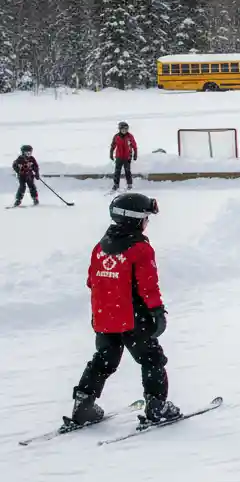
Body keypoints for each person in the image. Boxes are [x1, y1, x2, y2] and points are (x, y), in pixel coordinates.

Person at [68, 192, 181, 427]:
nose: (147, 223)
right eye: (146, 218)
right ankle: (157, 406)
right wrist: (157, 312)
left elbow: (92, 281)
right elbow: (148, 287)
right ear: (135, 219)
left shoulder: (100, 246)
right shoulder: (140, 249)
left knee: (104, 360)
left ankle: (83, 405)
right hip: (133, 318)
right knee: (152, 359)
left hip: (104, 317)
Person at [110, 121, 138, 192]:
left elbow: (134, 145)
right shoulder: (116, 136)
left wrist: (135, 154)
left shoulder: (130, 136)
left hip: (127, 157)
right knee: (117, 171)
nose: (124, 130)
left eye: (126, 129)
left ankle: (129, 184)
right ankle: (116, 185)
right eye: (123, 129)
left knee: (127, 171)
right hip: (119, 157)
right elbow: (113, 145)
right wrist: (111, 153)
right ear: (120, 129)